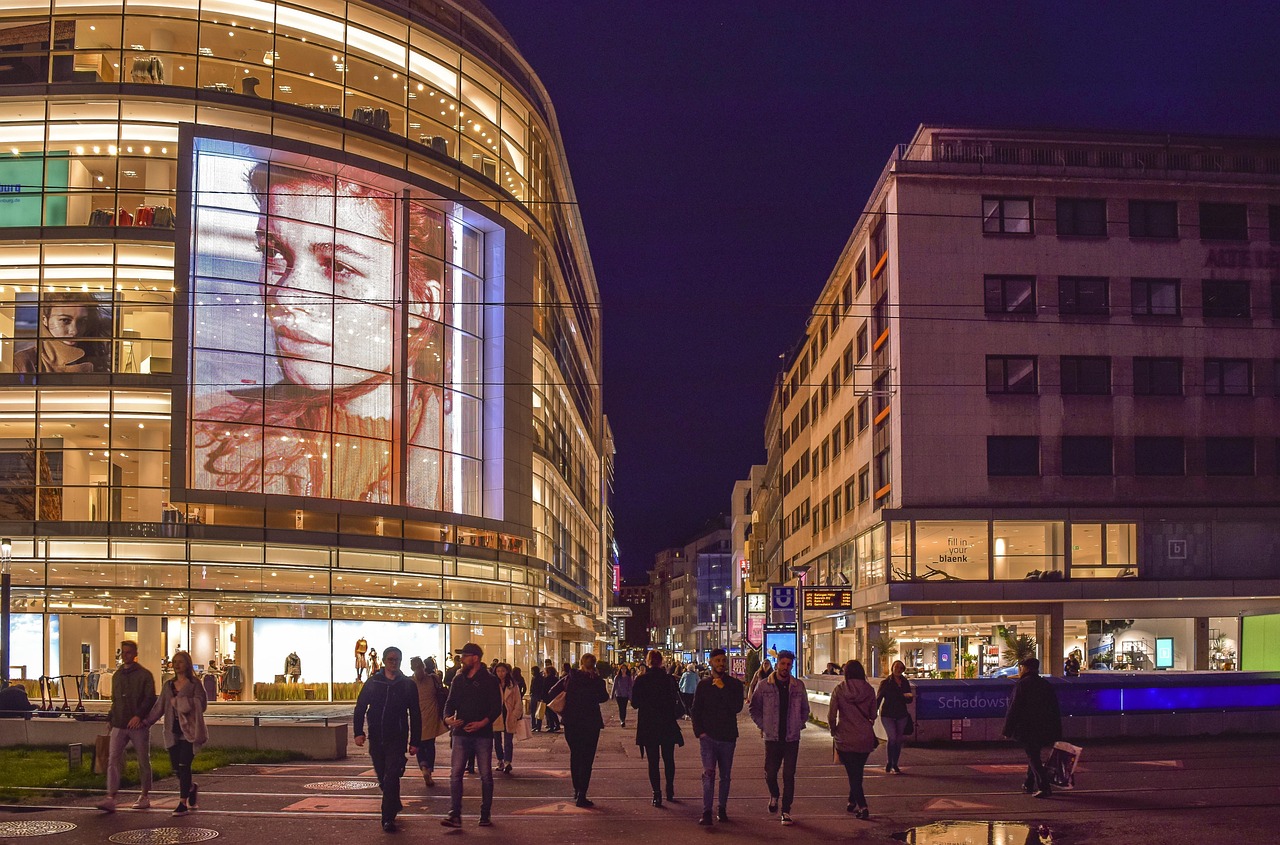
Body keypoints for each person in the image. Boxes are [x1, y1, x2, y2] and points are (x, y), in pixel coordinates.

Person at [191, 160, 451, 508]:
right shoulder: (201, 433)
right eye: (273, 253)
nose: (285, 295)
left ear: (421, 306)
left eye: (339, 267)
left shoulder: (466, 464)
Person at [353, 646, 420, 832]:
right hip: (376, 737)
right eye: (390, 659)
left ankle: (387, 818)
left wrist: (415, 742)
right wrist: (358, 732)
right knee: (383, 778)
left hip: (396, 739)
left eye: (397, 659)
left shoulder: (407, 684)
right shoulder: (374, 682)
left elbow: (415, 714)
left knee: (391, 777)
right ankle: (394, 802)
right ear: (383, 661)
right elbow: (360, 707)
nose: (394, 662)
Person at [440, 642, 501, 828]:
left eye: (465, 656)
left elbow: (496, 708)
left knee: (485, 775)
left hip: (482, 734)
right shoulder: (459, 680)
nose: (462, 659)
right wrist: (448, 719)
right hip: (460, 732)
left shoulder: (490, 680)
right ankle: (455, 814)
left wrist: (482, 723)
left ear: (475, 658)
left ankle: (485, 814)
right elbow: (449, 703)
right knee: (456, 773)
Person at [144, 650, 208, 816]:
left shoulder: (195, 684)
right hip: (172, 731)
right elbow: (159, 706)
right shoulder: (168, 685)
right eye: (175, 661)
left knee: (184, 764)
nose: (177, 665)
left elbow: (202, 704)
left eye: (181, 661)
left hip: (190, 731)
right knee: (176, 768)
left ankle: (182, 803)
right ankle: (191, 788)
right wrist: (146, 722)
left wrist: (183, 703)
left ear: (187, 663)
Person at [748, 649, 809, 827]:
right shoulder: (764, 685)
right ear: (777, 664)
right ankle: (774, 794)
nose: (785, 667)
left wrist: (799, 723)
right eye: (783, 664)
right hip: (772, 738)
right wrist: (763, 725)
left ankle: (786, 811)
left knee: (789, 775)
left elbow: (805, 709)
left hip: (791, 738)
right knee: (770, 773)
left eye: (789, 664)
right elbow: (754, 708)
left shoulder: (798, 686)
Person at [97, 640, 157, 812]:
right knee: (113, 759)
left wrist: (139, 716)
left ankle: (144, 794)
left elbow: (149, 698)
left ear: (135, 653)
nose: (125, 656)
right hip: (119, 722)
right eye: (123, 652)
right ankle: (111, 796)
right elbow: (115, 699)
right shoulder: (117, 675)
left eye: (129, 652)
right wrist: (111, 717)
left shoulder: (144, 675)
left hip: (137, 725)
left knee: (143, 759)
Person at [690, 648, 745, 826]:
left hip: (728, 737)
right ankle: (707, 811)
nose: (721, 664)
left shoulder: (734, 685)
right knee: (708, 774)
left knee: (726, 776)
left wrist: (723, 689)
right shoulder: (703, 685)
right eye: (718, 660)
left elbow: (736, 707)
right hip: (708, 738)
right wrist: (700, 732)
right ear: (711, 662)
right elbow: (695, 710)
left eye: (723, 660)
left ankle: (722, 808)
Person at [548, 653, 609, 807]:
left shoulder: (570, 678)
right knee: (587, 759)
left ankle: (576, 789)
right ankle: (582, 793)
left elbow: (551, 692)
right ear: (594, 665)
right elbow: (604, 697)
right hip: (591, 722)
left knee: (576, 755)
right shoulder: (596, 681)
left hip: (572, 721)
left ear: (581, 663)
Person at [1003, 656, 1063, 798]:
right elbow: (1054, 709)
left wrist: (1007, 729)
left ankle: (1044, 786)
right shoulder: (1045, 684)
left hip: (1028, 728)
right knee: (1034, 754)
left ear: (1026, 668)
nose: (1019, 670)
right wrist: (1057, 731)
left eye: (1021, 667)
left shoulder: (1022, 685)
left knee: (1033, 757)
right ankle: (1028, 784)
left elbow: (1014, 708)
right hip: (1044, 727)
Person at [630, 649, 684, 807]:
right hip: (667, 723)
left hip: (649, 724)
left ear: (648, 662)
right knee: (669, 759)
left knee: (653, 761)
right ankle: (670, 789)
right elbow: (675, 699)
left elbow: (635, 704)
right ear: (661, 662)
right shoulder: (669, 679)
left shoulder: (641, 680)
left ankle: (656, 794)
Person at [14, 291, 112, 373]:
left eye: (82, 321)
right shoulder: (24, 362)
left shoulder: (97, 359)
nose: (74, 330)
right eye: (65, 320)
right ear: (45, 320)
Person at [828, 660, 877, 820]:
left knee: (853, 774)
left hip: (846, 736)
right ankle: (851, 801)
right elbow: (873, 715)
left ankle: (863, 806)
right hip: (865, 737)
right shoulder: (869, 690)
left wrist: (833, 729)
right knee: (857, 771)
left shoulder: (840, 689)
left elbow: (832, 714)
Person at [410, 656, 448, 787]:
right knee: (430, 743)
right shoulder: (433, 678)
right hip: (431, 714)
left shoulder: (410, 682)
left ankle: (423, 767)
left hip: (417, 716)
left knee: (419, 743)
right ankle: (429, 770)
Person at [877, 659, 913, 774]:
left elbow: (910, 699)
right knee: (892, 737)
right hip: (888, 714)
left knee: (898, 739)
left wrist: (905, 696)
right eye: (896, 667)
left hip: (901, 714)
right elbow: (879, 698)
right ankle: (889, 762)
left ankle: (895, 763)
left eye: (900, 668)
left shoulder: (905, 682)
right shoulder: (886, 682)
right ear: (892, 668)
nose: (898, 669)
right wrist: (873, 712)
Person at [492, 662, 523, 775]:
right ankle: (500, 760)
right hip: (496, 715)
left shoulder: (513, 685)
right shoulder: (492, 684)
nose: (501, 673)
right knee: (497, 741)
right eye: (498, 671)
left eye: (503, 671)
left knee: (508, 741)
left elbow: (518, 701)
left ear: (507, 672)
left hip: (509, 715)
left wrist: (515, 714)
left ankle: (507, 762)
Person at [612, 663, 635, 727]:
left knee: (624, 708)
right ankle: (622, 720)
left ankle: (623, 720)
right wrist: (612, 694)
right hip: (619, 695)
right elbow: (614, 686)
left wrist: (630, 696)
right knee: (620, 707)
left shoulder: (628, 678)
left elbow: (630, 687)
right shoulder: (617, 677)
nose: (623, 670)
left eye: (625, 669)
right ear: (620, 669)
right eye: (622, 669)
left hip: (625, 695)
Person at [541, 665, 562, 733]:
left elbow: (544, 689)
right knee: (553, 712)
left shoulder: (546, 679)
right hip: (554, 697)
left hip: (548, 697)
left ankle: (552, 726)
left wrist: (542, 697)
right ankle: (557, 725)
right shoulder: (556, 678)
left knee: (549, 712)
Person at [529, 664, 547, 732]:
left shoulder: (536, 678)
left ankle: (534, 725)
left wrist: (531, 692)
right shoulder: (540, 678)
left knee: (534, 711)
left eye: (532, 671)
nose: (531, 672)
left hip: (536, 695)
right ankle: (537, 726)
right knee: (538, 711)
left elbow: (535, 687)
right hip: (538, 695)